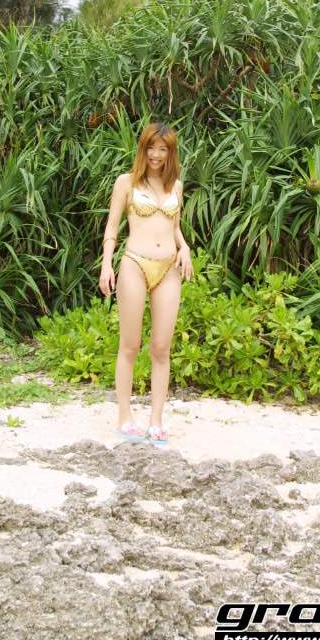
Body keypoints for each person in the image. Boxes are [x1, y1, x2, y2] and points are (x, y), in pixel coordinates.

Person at [99, 122, 193, 446]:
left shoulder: (175, 186)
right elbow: (112, 227)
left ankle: (156, 421)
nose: (156, 154)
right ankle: (125, 417)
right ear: (143, 149)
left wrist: (185, 247)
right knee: (130, 344)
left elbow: (174, 227)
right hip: (135, 264)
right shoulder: (126, 182)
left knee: (161, 348)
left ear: (170, 152)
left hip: (168, 268)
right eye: (151, 148)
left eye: (162, 149)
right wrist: (106, 264)